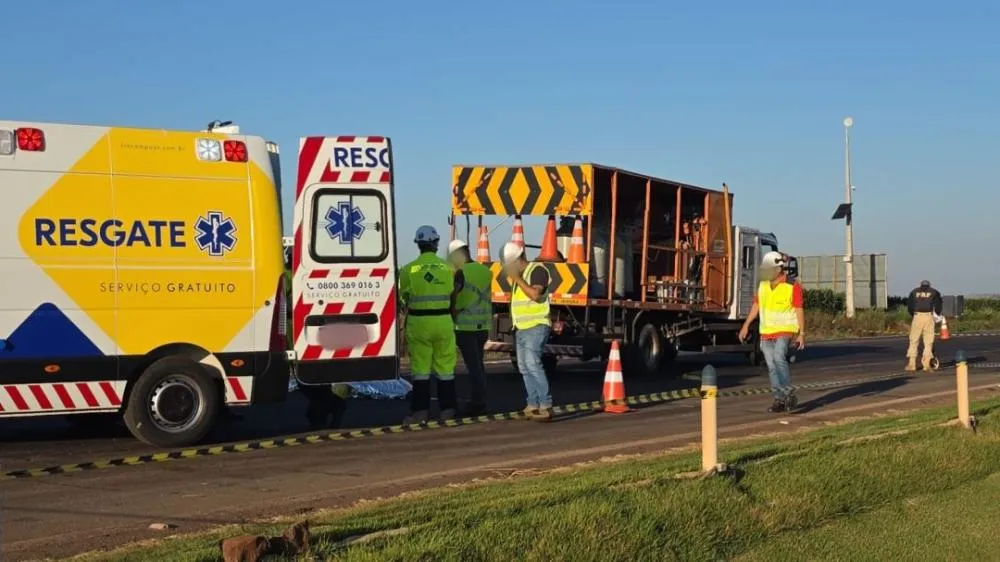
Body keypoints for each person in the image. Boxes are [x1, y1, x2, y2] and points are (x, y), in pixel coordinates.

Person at [398, 226, 458, 423]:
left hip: (419, 323)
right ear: (436, 243)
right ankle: (448, 410)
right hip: (443, 321)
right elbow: (453, 290)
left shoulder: (408, 270)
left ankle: (420, 412)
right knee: (445, 368)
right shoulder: (448, 268)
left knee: (421, 369)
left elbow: (403, 296)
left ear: (418, 245)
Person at [739, 251, 805, 413]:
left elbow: (798, 309)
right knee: (771, 366)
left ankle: (789, 394)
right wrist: (746, 325)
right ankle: (779, 400)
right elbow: (756, 306)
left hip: (785, 329)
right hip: (767, 331)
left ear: (778, 269)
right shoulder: (762, 285)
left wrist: (801, 333)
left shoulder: (792, 285)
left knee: (778, 358)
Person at [502, 242, 553, 422]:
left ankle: (545, 404)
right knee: (524, 367)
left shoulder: (537, 271)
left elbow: (535, 295)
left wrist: (518, 279)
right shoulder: (521, 276)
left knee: (532, 364)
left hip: (536, 325)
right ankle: (533, 404)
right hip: (522, 328)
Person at [447, 239, 492, 415]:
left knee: (473, 367)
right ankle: (481, 399)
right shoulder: (485, 270)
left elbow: (454, 296)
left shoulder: (460, 272)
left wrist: (452, 314)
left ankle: (477, 403)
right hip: (482, 326)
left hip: (465, 327)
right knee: (479, 365)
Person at [906, 280, 943, 371]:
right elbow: (938, 307)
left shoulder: (914, 292)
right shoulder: (934, 292)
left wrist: (914, 315)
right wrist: (935, 315)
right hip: (928, 317)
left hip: (917, 316)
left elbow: (910, 307)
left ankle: (912, 364)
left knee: (914, 339)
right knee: (928, 340)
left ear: (921, 285)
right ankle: (927, 364)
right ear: (929, 285)